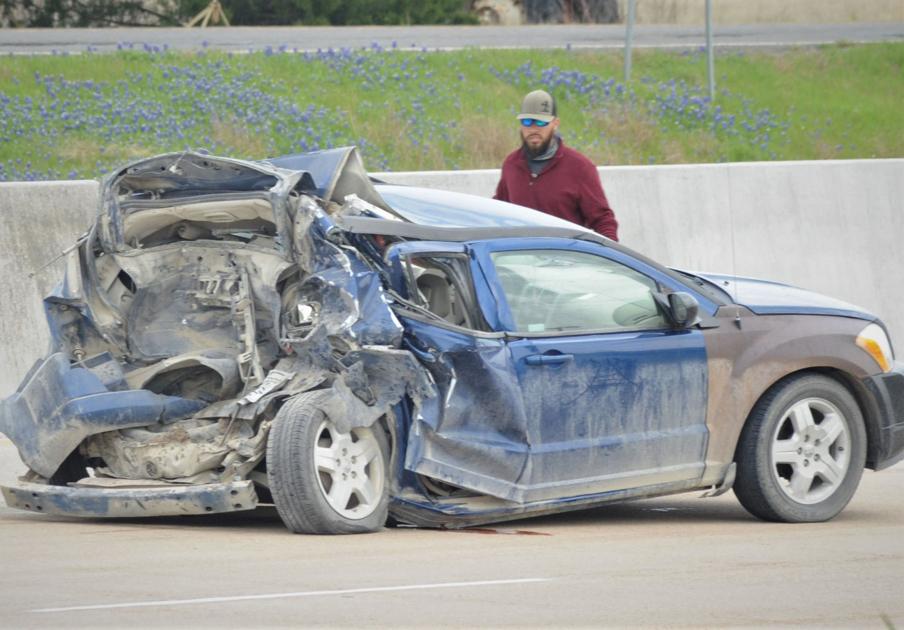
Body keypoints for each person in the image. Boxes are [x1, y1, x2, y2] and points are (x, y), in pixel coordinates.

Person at [494, 89, 619, 241]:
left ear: (555, 124)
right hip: (521, 261)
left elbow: (602, 220)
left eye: (541, 122)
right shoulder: (511, 165)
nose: (533, 128)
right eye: (527, 122)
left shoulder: (579, 167)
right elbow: (497, 214)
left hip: (565, 261)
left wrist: (608, 258)